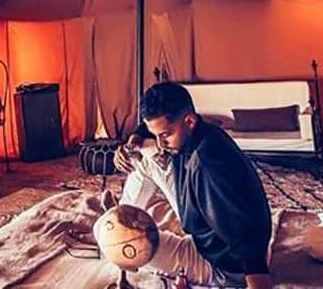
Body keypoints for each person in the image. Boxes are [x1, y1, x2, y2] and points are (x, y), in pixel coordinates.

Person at [113, 82, 272, 289]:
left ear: (189, 120)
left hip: (225, 267)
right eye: (157, 135)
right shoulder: (200, 130)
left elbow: (246, 238)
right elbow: (151, 127)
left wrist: (257, 278)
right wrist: (134, 141)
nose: (161, 144)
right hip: (203, 225)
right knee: (144, 159)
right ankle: (119, 221)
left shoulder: (209, 167)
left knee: (126, 246)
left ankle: (117, 234)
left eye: (166, 135)